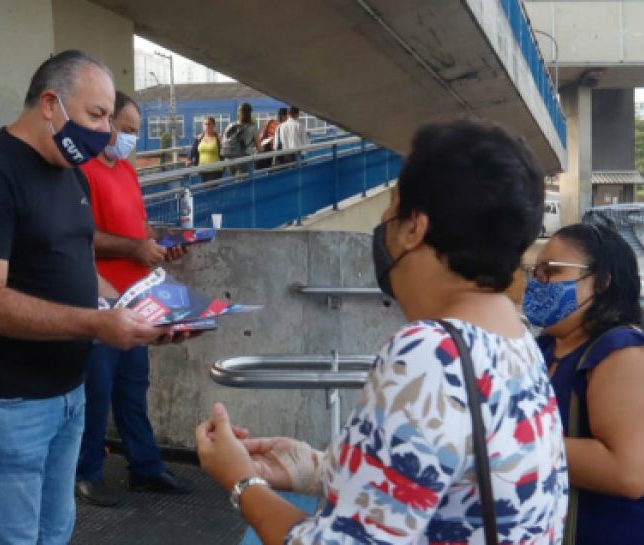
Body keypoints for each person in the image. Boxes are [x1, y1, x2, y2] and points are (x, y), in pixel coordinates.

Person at [196, 120, 569, 544]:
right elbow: (451, 476)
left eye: (391, 209)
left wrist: (242, 482)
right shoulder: (515, 339)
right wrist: (316, 468)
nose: (384, 226)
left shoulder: (432, 353)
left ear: (415, 228)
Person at [0, 50, 182, 544]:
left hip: (66, 397)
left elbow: (74, 260)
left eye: (111, 118)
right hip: (5, 404)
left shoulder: (69, 171)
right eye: (96, 115)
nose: (106, 131)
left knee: (54, 534)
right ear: (51, 104)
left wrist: (131, 310)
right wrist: (97, 326)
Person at [526, 223, 644, 544]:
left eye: (552, 271)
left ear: (602, 282)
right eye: (535, 272)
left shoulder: (627, 357)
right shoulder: (546, 347)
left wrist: (506, 447)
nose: (539, 283)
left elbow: (627, 472)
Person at [74, 91, 193, 507]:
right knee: (97, 389)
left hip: (136, 297)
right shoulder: (80, 170)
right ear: (103, 124)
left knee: (132, 387)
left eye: (134, 132)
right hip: (99, 300)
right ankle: (86, 472)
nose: (129, 140)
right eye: (123, 130)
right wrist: (134, 249)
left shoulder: (125, 169)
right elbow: (80, 236)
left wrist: (163, 243)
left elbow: (139, 228)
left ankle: (145, 467)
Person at [222, 102, 258, 175]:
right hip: (243, 158)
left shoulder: (230, 125)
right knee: (242, 183)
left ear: (239, 113)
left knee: (235, 182)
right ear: (250, 113)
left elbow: (223, 141)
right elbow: (260, 148)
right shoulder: (252, 127)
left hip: (229, 159)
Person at [190, 116, 224, 181]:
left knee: (211, 188)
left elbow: (224, 151)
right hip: (201, 169)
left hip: (215, 170)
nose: (207, 126)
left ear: (214, 125)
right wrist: (189, 159)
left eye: (209, 124)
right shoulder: (199, 138)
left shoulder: (218, 138)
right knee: (206, 188)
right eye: (205, 124)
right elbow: (193, 150)